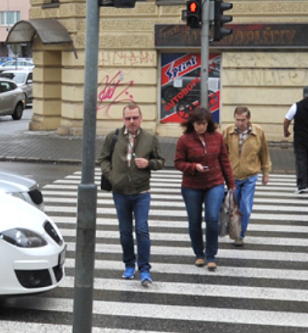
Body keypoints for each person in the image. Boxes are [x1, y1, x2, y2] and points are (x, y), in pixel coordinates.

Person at [97, 103, 165, 286]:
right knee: (125, 232)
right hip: (120, 192)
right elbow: (102, 159)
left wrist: (149, 164)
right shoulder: (113, 137)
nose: (132, 121)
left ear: (141, 118)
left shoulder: (150, 138)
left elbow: (161, 161)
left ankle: (144, 269)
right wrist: (112, 177)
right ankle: (129, 264)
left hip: (141, 191)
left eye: (135, 117)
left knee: (142, 230)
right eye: (128, 118)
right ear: (123, 119)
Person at [175, 106, 235, 271]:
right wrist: (194, 167)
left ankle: (211, 255)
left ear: (208, 123)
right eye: (197, 123)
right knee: (194, 221)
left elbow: (224, 160)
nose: (200, 127)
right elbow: (178, 163)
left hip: (214, 183)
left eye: (203, 123)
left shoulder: (216, 137)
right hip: (191, 186)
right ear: (192, 123)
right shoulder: (184, 140)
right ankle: (199, 254)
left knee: (212, 218)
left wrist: (231, 184)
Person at [221, 106, 271, 247]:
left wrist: (265, 172)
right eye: (237, 120)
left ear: (249, 119)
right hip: (233, 176)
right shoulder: (228, 132)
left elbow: (264, 153)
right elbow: (222, 153)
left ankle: (240, 235)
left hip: (250, 175)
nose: (240, 123)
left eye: (243, 120)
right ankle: (235, 232)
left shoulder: (258, 132)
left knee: (246, 207)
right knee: (234, 208)